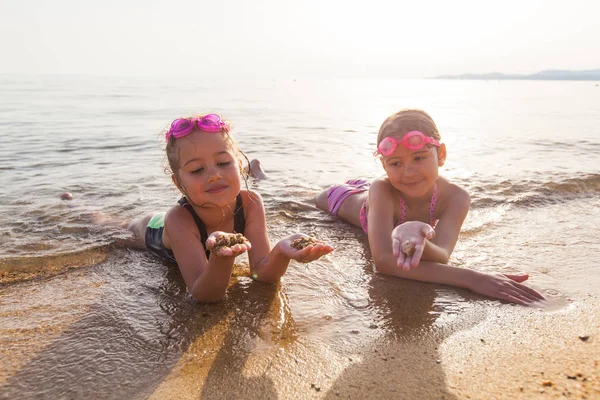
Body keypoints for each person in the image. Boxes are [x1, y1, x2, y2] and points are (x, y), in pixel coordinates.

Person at [315, 109, 544, 305]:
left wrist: (420, 238)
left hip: (374, 196)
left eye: (419, 158)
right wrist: (473, 278)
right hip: (342, 196)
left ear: (441, 154)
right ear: (384, 166)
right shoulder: (382, 190)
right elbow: (384, 261)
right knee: (311, 204)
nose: (409, 171)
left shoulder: (456, 198)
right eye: (396, 163)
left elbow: (442, 255)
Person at [127, 113, 334, 302]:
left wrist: (281, 252)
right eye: (197, 169)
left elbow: (261, 273)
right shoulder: (178, 219)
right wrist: (221, 258)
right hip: (152, 228)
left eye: (224, 163)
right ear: (179, 184)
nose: (215, 175)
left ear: (238, 165)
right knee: (117, 229)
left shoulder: (251, 203)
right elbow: (203, 295)